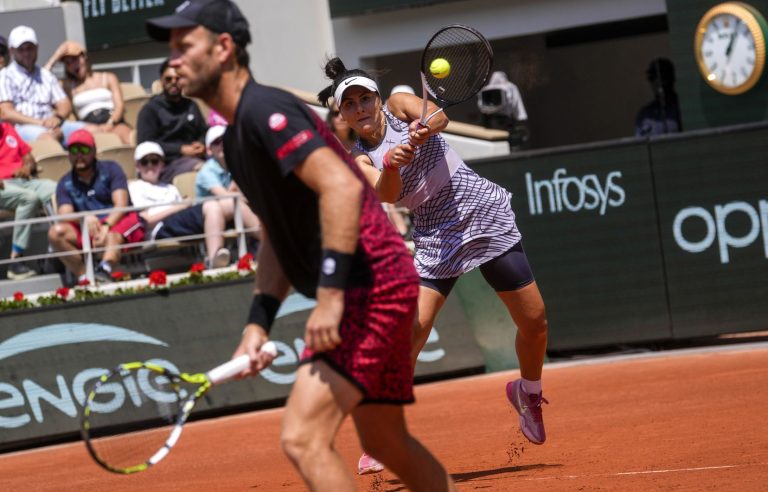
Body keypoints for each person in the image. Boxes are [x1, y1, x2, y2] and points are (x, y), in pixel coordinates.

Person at [146, 2, 456, 491]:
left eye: (185, 46)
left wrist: (330, 297)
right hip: (372, 282)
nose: (173, 61)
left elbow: (342, 188)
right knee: (386, 441)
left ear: (224, 48)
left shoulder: (265, 111)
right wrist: (258, 321)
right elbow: (276, 235)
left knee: (303, 438)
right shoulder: (234, 142)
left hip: (369, 285)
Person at [318, 58, 549, 472]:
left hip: (479, 211)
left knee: (535, 322)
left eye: (364, 98)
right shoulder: (358, 161)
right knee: (412, 332)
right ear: (342, 115)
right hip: (434, 233)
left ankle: (528, 392)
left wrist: (424, 127)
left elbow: (440, 118)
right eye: (349, 104)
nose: (360, 108)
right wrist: (393, 163)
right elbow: (388, 195)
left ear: (375, 98)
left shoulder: (400, 102)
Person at [48, 129, 144, 284]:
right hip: (89, 227)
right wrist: (83, 218)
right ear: (68, 154)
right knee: (55, 232)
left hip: (119, 220)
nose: (79, 155)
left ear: (94, 151)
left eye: (84, 149)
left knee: (113, 235)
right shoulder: (65, 182)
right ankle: (85, 277)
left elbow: (121, 204)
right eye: (74, 150)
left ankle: (105, 269)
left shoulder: (112, 169)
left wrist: (106, 225)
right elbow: (64, 215)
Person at [129, 140, 233, 269]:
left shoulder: (170, 187)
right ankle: (214, 257)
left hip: (178, 224)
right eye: (145, 162)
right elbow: (146, 220)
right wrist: (180, 206)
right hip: (159, 229)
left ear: (162, 164)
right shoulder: (134, 188)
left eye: (155, 161)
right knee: (211, 205)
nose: (150, 165)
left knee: (227, 205)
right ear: (137, 166)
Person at [0, 26, 89, 144]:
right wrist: (41, 123)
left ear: (36, 47)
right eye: (21, 49)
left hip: (52, 125)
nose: (26, 53)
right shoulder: (5, 76)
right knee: (48, 140)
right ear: (12, 51)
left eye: (30, 48)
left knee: (94, 132)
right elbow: (6, 113)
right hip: (22, 128)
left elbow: (64, 103)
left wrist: (57, 118)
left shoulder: (46, 75)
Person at [43, 41, 132, 144]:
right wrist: (55, 57)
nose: (73, 65)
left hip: (112, 121)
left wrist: (110, 124)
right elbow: (43, 80)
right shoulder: (66, 85)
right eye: (68, 63)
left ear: (84, 57)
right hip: (88, 125)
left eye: (75, 59)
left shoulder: (108, 77)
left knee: (127, 136)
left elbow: (119, 107)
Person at [0, 119, 57, 279]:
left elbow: (28, 156)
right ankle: (16, 260)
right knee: (29, 199)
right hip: (2, 186)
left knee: (56, 188)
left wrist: (26, 167)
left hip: (22, 180)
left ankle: (62, 247)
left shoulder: (7, 128)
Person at [136, 58, 207, 184]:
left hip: (195, 157)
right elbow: (146, 143)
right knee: (206, 169)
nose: (173, 82)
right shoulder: (150, 109)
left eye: (178, 78)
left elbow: (203, 131)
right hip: (165, 165)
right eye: (168, 79)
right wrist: (180, 149)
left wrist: (201, 144)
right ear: (161, 81)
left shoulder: (191, 105)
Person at [195, 125, 262, 240]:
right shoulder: (207, 171)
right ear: (209, 150)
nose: (222, 144)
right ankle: (267, 239)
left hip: (233, 214)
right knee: (234, 203)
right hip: (208, 217)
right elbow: (226, 196)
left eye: (225, 140)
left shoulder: (236, 164)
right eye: (217, 142)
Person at [635, 57, 682, 137]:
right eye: (653, 78)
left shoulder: (681, 108)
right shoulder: (645, 114)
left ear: (672, 78)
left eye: (663, 77)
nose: (659, 82)